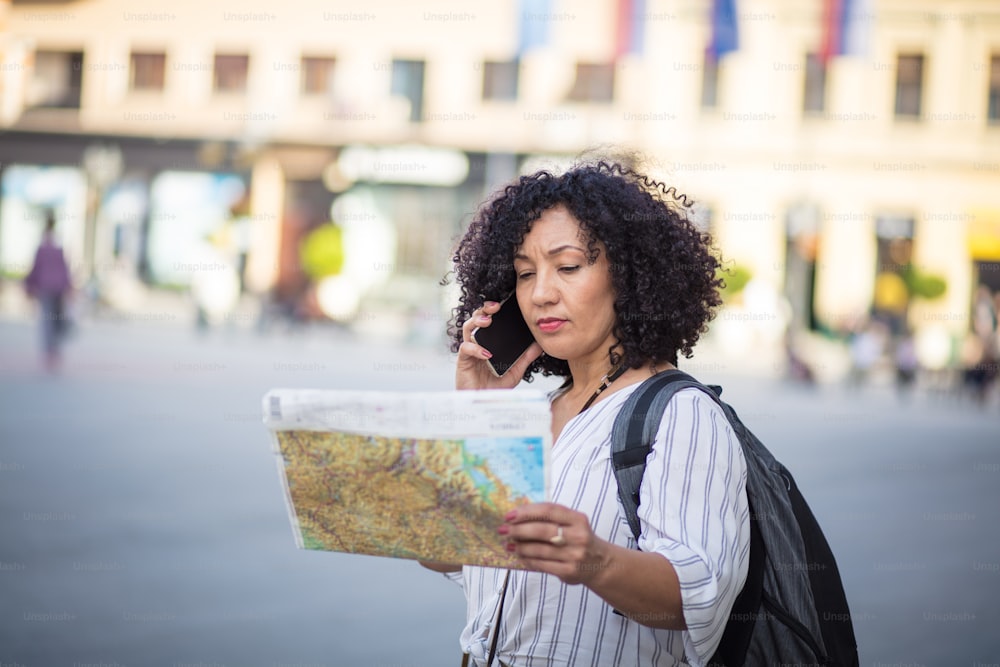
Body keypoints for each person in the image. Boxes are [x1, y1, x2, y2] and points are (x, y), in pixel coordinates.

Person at [423, 161, 750, 666]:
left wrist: (595, 560)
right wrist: (476, 412)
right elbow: (449, 551)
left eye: (568, 267)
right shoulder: (532, 412)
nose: (539, 293)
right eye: (525, 273)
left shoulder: (681, 415)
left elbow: (698, 597)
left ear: (629, 274)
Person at [24, 211, 73, 372]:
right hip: (58, 287)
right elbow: (65, 268)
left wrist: (29, 286)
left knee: (47, 320)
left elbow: (36, 268)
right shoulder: (59, 244)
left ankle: (49, 351)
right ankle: (54, 350)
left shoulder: (42, 245)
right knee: (56, 319)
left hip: (45, 287)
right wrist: (69, 286)